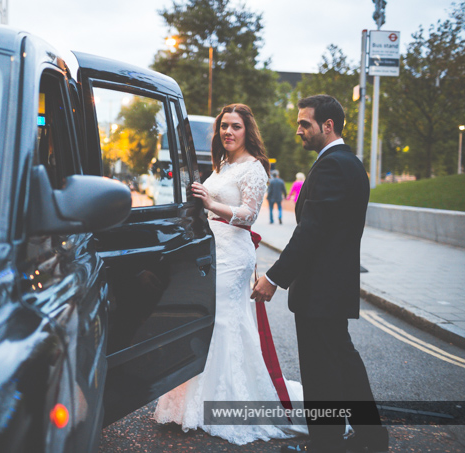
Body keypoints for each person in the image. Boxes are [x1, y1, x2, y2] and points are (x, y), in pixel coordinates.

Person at [154, 104, 307, 445]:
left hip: (234, 256)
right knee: (204, 319)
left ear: (247, 130)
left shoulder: (254, 168)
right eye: (224, 126)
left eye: (235, 126)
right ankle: (188, 403)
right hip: (209, 251)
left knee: (222, 321)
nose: (228, 132)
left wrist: (211, 204)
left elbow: (248, 216)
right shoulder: (223, 165)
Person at [251, 95, 389, 453]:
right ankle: (371, 437)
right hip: (331, 288)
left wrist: (274, 277)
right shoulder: (350, 164)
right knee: (342, 364)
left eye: (305, 124)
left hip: (320, 291)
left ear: (328, 125)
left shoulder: (331, 166)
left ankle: (326, 442)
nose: (299, 130)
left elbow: (312, 230)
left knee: (322, 372)